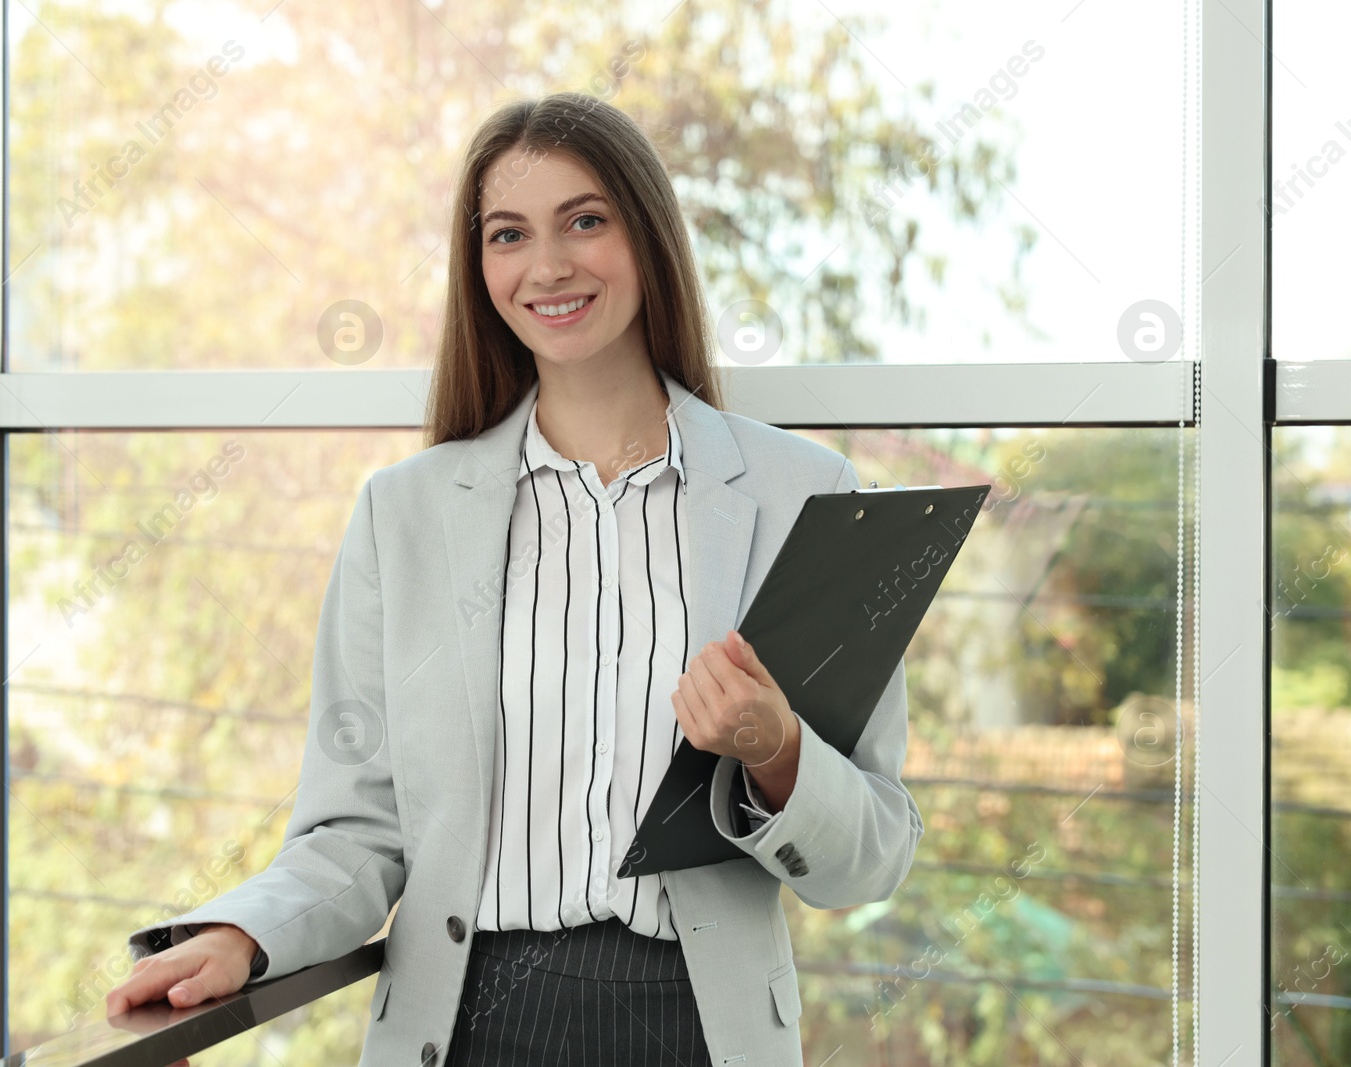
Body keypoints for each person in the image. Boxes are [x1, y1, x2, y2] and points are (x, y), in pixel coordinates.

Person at [105, 90, 921, 1067]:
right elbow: (355, 827)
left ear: (647, 236)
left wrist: (777, 749)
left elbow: (872, 853)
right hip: (467, 1024)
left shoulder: (805, 494)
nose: (547, 265)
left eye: (585, 220)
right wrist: (243, 932)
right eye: (507, 234)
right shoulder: (402, 516)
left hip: (702, 1027)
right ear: (478, 264)